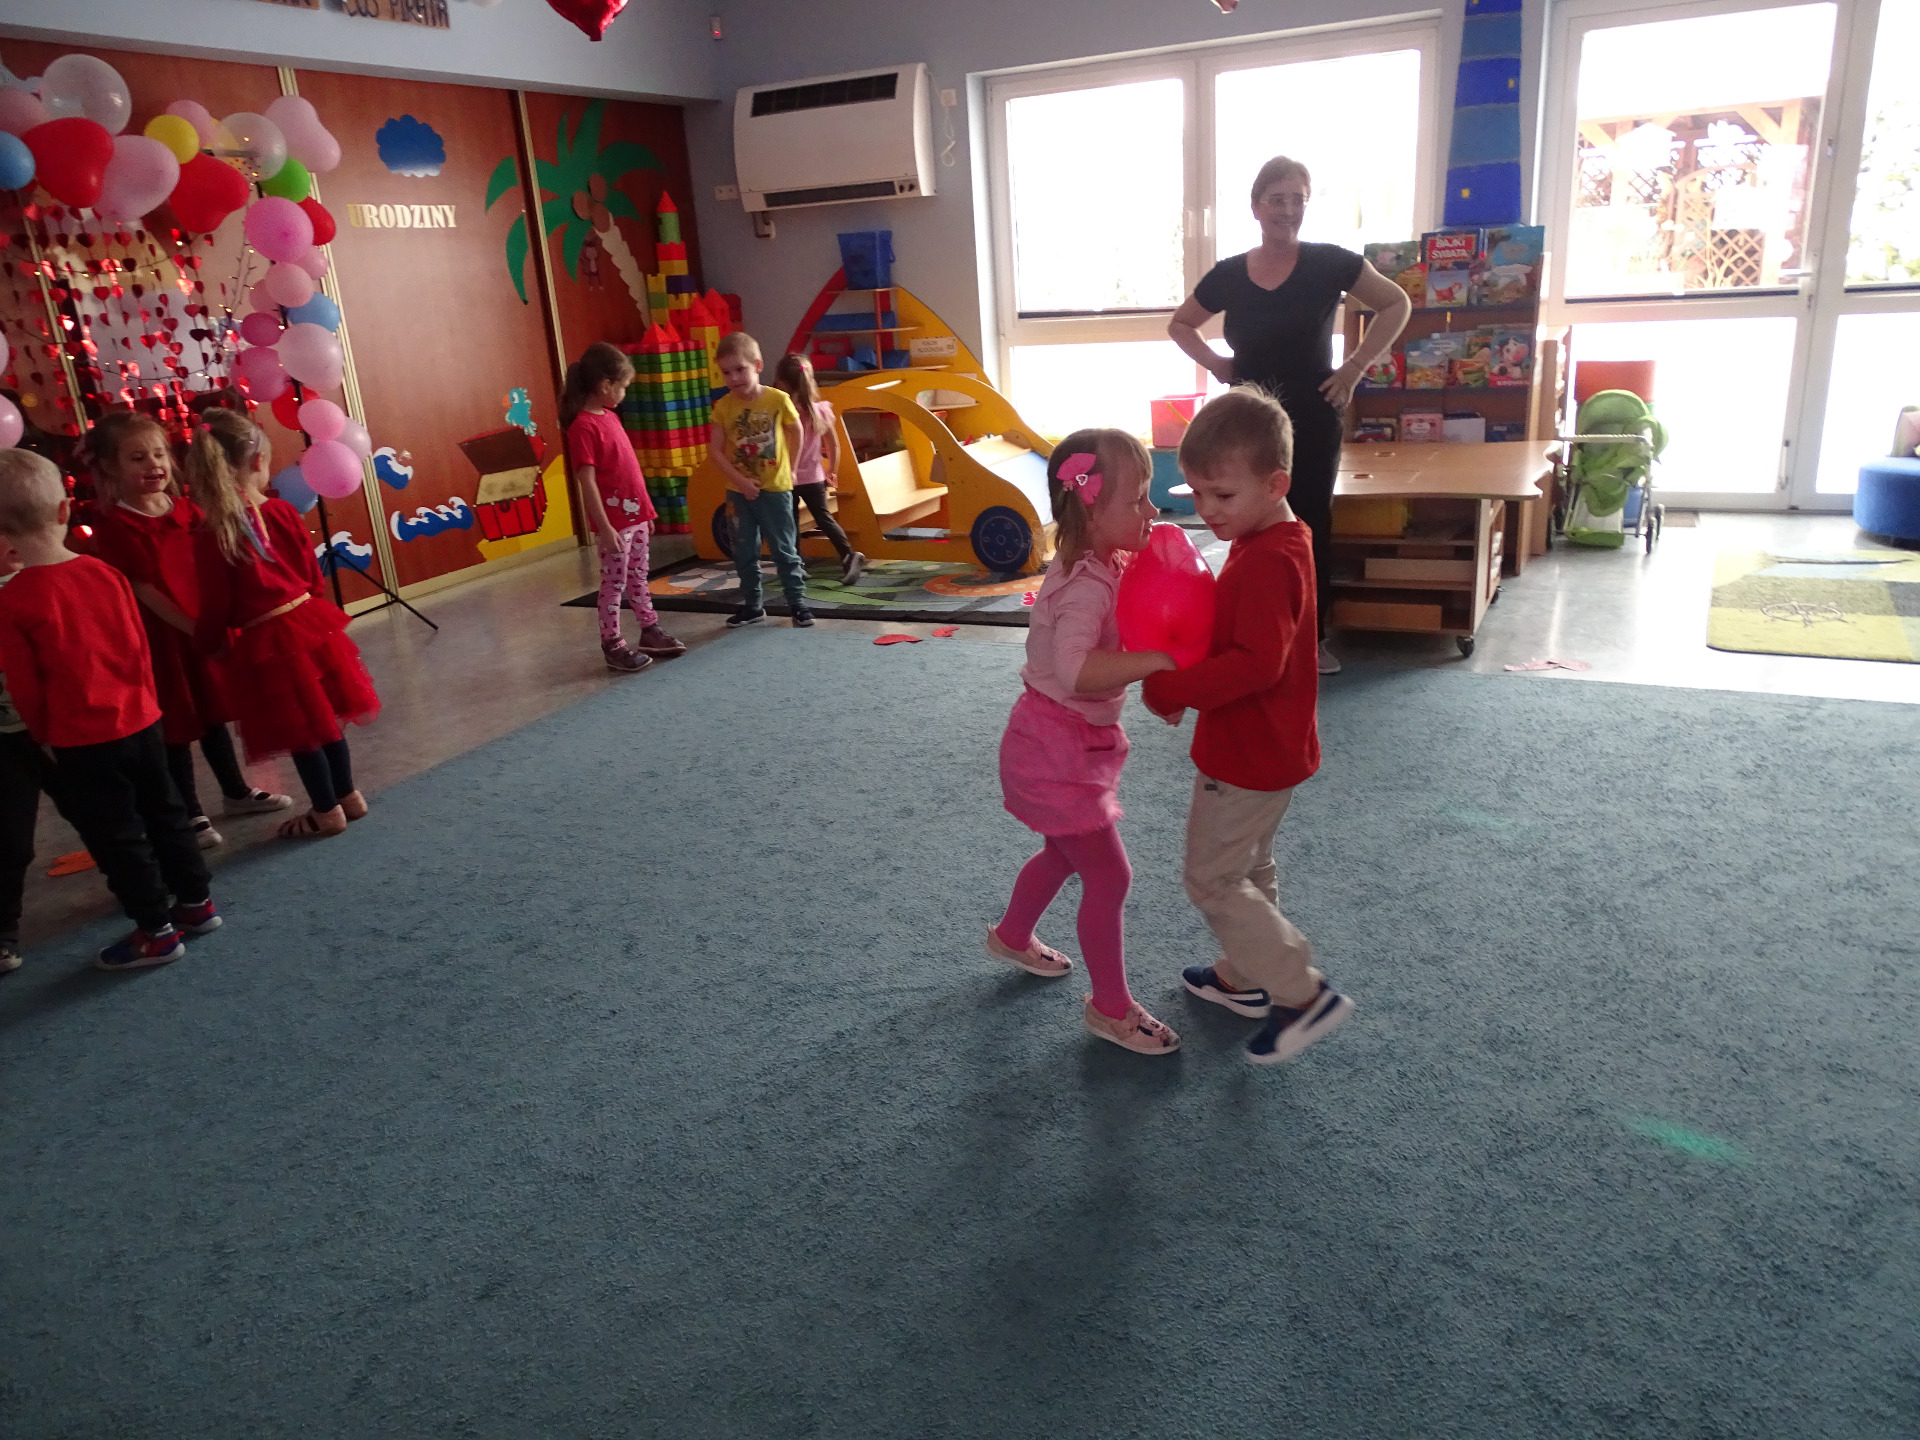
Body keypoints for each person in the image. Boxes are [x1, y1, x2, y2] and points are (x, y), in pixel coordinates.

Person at [1141, 388, 1353, 1065]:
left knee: (1211, 878)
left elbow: (1257, 664)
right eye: (1197, 493)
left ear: (1276, 485)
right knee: (1250, 866)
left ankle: (1301, 991)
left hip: (1246, 754)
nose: (1207, 510)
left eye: (1223, 495)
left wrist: (1171, 687)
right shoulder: (1277, 536)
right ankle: (1243, 975)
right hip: (1272, 749)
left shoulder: (1265, 560)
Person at [1167, 155, 1413, 675]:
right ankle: (1248, 631)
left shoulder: (1329, 262)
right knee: (1245, 520)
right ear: (1256, 207)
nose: (1287, 209)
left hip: (1312, 413)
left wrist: (1354, 369)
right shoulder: (1230, 274)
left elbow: (1395, 304)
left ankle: (1310, 638)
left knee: (1306, 522)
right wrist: (1217, 364)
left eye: (1297, 199)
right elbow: (1181, 324)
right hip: (1246, 420)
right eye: (1276, 199)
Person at [987, 429, 1181, 1056]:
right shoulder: (1088, 586)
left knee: (1064, 854)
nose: (1152, 509)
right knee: (1110, 876)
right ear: (1092, 510)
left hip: (1060, 740)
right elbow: (1076, 671)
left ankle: (1011, 936)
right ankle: (1110, 1007)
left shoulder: (1105, 564)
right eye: (1139, 498)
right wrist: (1155, 662)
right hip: (1056, 752)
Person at [0, 449, 217, 971]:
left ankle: (155, 932)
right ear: (64, 510)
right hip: (142, 720)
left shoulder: (13, 600)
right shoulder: (104, 572)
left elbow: (25, 684)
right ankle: (197, 903)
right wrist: (147, 705)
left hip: (82, 740)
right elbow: (138, 646)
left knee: (117, 836)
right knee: (167, 815)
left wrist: (44, 737)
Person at [85, 411, 293, 847]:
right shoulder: (116, 527)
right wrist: (196, 631)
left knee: (213, 713)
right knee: (177, 724)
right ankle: (190, 810)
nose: (154, 465)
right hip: (165, 640)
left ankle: (235, 791)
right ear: (109, 467)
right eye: (137, 458)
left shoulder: (187, 510)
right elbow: (146, 591)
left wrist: (220, 624)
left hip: (204, 630)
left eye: (159, 454)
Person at [184, 410, 381, 840]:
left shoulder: (213, 533)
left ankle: (326, 810)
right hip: (308, 624)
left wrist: (208, 642)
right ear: (258, 462)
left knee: (302, 729)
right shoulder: (283, 512)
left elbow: (217, 602)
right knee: (326, 718)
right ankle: (348, 795)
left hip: (268, 638)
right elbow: (313, 578)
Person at [561, 342, 685, 674]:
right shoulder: (583, 427)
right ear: (606, 385)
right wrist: (604, 527)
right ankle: (612, 644)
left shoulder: (612, 418)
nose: (625, 393)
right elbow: (587, 482)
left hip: (636, 518)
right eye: (624, 386)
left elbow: (628, 473)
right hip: (615, 525)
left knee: (638, 577)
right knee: (614, 584)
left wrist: (647, 513)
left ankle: (649, 630)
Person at [709, 332, 811, 629]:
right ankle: (753, 605)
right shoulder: (724, 406)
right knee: (743, 550)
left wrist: (792, 469)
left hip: (775, 489)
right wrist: (740, 482)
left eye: (739, 369)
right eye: (726, 372)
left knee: (784, 548)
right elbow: (715, 451)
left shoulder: (777, 399)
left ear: (757, 365)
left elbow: (796, 431)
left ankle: (797, 603)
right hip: (739, 493)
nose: (733, 378)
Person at [0, 539, 67, 976]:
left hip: (58, 725)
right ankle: (4, 928)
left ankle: (141, 891)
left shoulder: (42, 582)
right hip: (6, 738)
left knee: (96, 811)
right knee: (11, 837)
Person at [770, 353, 865, 584]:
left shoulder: (783, 413)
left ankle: (796, 564)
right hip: (814, 478)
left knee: (790, 521)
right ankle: (848, 555)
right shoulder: (819, 411)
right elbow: (833, 445)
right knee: (824, 518)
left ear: (781, 383)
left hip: (788, 477)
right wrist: (832, 470)